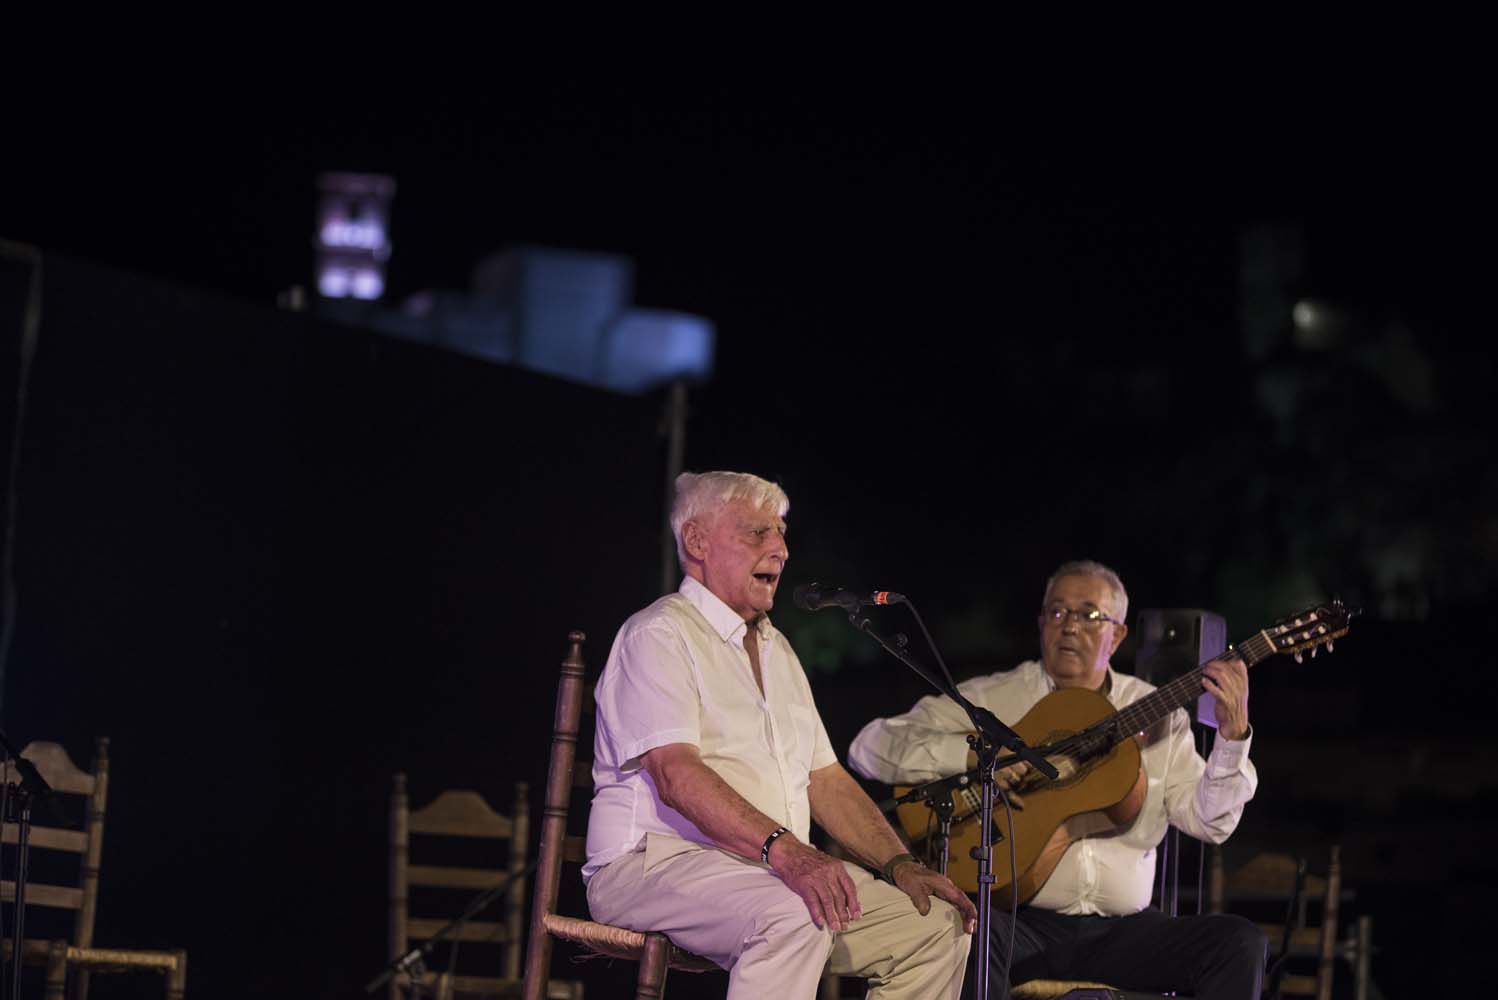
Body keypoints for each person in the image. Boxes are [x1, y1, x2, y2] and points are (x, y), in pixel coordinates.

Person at [583, 471, 977, 998]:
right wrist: (790, 853)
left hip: (765, 870)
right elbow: (676, 775)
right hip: (654, 865)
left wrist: (900, 864)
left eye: (781, 532)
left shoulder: (778, 651)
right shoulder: (658, 634)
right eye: (757, 533)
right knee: (797, 913)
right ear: (696, 541)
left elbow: (826, 779)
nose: (781, 549)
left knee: (934, 926)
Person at [848, 560, 1265, 1000]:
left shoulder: (1156, 712)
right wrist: (975, 755)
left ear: (1118, 635)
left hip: (1125, 931)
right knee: (962, 932)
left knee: (1237, 944)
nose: (1069, 627)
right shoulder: (993, 698)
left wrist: (1233, 736)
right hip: (1019, 924)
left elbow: (1212, 824)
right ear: (1041, 623)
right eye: (1057, 612)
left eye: (1089, 615)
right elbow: (869, 747)